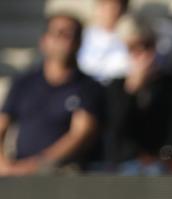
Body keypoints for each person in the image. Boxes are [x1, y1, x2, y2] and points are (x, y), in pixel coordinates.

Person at [0, 14, 104, 176]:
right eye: (60, 33)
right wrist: (4, 164)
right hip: (19, 169)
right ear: (44, 40)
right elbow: (2, 124)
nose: (66, 40)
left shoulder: (88, 87)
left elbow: (80, 134)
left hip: (64, 173)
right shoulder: (24, 83)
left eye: (73, 35)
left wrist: (36, 166)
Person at [102, 15, 172, 174]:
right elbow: (115, 130)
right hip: (125, 163)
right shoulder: (115, 87)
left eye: (147, 46)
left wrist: (163, 156)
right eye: (133, 48)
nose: (141, 54)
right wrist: (131, 91)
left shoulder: (170, 86)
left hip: (159, 164)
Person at [78, 0, 132, 84]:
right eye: (106, 5)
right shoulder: (82, 36)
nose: (111, 11)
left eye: (115, 6)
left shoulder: (132, 40)